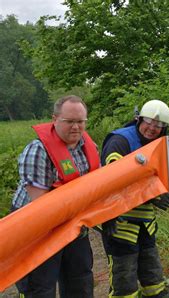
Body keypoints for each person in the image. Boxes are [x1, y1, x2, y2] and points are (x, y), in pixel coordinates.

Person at [100, 99, 169, 298]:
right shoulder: (120, 141)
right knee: (125, 284)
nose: (152, 128)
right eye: (149, 122)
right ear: (138, 119)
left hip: (145, 224)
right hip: (119, 223)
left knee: (154, 281)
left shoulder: (161, 146)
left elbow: (164, 181)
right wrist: (151, 196)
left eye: (158, 125)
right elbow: (113, 182)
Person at [11, 95, 99, 297]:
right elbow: (41, 206)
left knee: (80, 279)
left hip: (71, 221)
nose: (76, 127)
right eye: (69, 122)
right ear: (55, 119)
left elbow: (96, 188)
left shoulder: (89, 148)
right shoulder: (37, 150)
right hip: (36, 225)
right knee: (41, 286)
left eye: (80, 122)